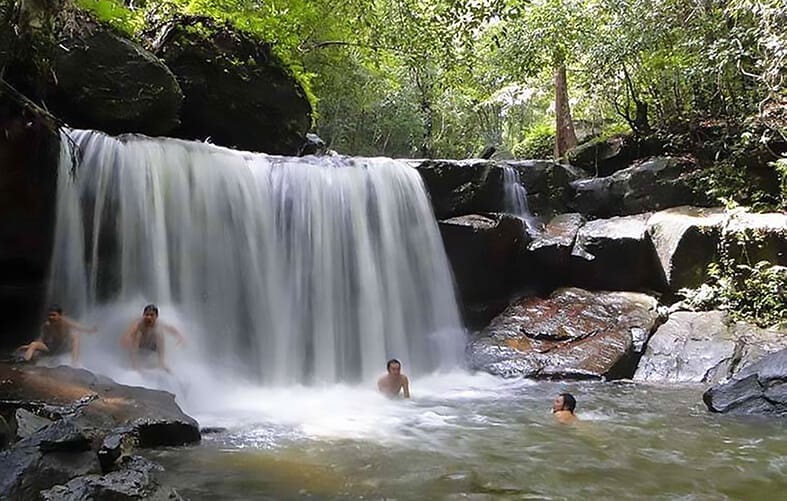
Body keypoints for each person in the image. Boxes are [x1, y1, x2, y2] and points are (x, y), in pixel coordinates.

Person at [17, 305, 97, 365]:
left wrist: (90, 330)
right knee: (34, 344)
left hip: (65, 349)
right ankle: (25, 361)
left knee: (75, 335)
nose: (51, 317)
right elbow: (43, 339)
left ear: (60, 315)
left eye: (53, 315)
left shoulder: (66, 322)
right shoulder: (47, 325)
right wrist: (29, 346)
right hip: (53, 348)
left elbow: (79, 327)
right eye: (49, 315)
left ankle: (74, 364)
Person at [120, 304, 185, 373]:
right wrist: (126, 338)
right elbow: (130, 331)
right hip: (140, 347)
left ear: (156, 316)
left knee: (159, 333)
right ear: (143, 315)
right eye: (146, 315)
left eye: (151, 315)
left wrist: (180, 337)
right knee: (137, 335)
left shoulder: (158, 323)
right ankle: (135, 365)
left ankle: (161, 363)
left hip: (152, 347)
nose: (148, 317)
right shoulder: (139, 323)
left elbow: (170, 329)